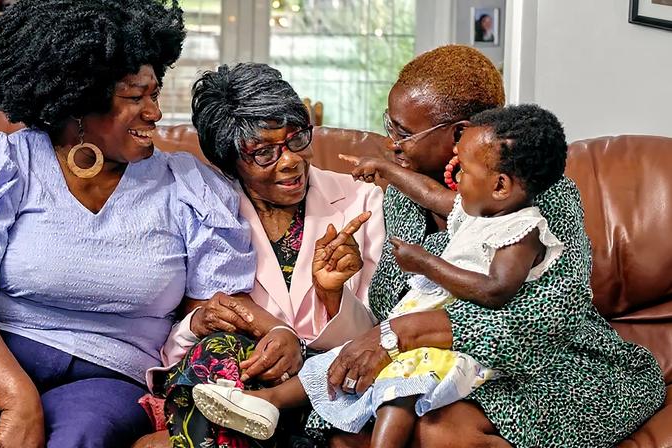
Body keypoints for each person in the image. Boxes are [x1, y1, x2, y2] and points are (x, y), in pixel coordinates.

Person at [0, 1, 256, 447]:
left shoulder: (188, 188)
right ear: (80, 101)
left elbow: (212, 312)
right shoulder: (4, 164)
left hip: (110, 372)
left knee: (82, 434)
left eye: (155, 93)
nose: (155, 113)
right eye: (134, 97)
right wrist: (17, 397)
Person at [324, 45, 666, 448]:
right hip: (440, 361)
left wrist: (406, 330)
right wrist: (336, 295)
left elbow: (547, 317)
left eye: (402, 132)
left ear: (458, 134)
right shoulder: (402, 191)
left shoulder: (545, 195)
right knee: (349, 425)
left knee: (439, 432)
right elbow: (393, 300)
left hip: (551, 364)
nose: (390, 142)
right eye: (389, 125)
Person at [190, 104, 568, 447]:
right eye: (264, 151)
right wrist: (386, 170)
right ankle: (266, 403)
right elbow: (432, 194)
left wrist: (424, 263)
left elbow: (496, 289)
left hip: (448, 342)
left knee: (397, 391)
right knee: (335, 361)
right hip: (406, 330)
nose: (454, 175)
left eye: (463, 170)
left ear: (500, 185)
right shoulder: (478, 209)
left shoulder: (522, 230)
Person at [151, 62, 384, 448]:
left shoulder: (362, 201)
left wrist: (332, 296)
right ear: (229, 160)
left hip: (331, 386)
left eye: (297, 139)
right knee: (217, 360)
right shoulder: (205, 212)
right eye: (263, 153)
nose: (290, 159)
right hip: (239, 380)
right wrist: (197, 323)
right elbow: (177, 350)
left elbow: (377, 336)